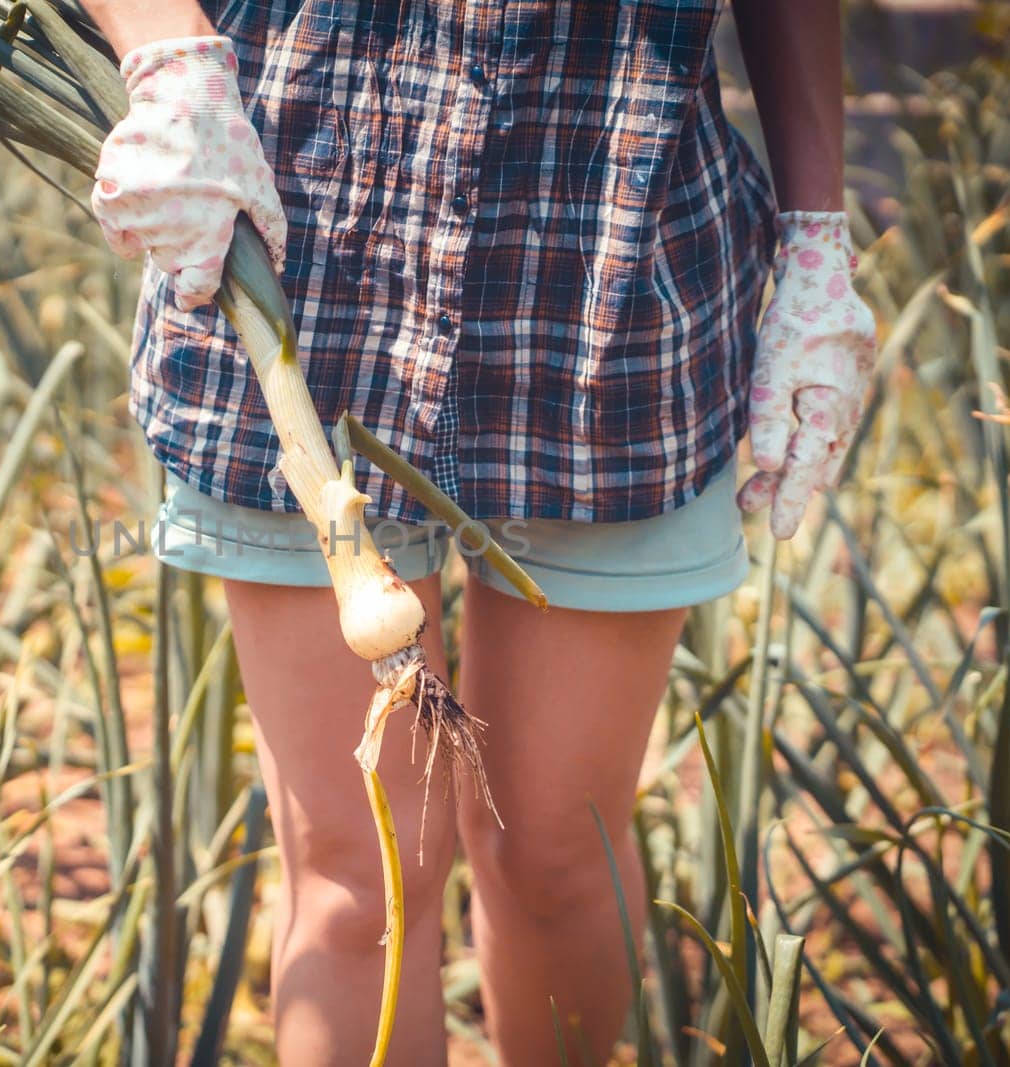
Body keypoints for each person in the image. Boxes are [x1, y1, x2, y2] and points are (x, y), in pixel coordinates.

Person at [78, 0, 876, 1062]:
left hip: (618, 288)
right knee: (357, 875)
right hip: (293, 268)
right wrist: (165, 55)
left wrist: (818, 236)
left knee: (555, 857)